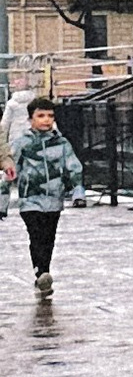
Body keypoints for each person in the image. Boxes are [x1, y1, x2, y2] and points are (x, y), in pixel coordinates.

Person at [5, 104, 82, 295]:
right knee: (36, 234)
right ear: (30, 119)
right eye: (41, 115)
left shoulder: (62, 143)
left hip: (54, 198)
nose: (46, 120)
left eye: (50, 115)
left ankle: (44, 273)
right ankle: (40, 272)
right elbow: (9, 173)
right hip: (30, 199)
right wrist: (2, 202)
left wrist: (78, 193)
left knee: (49, 237)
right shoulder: (22, 143)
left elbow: (74, 167)